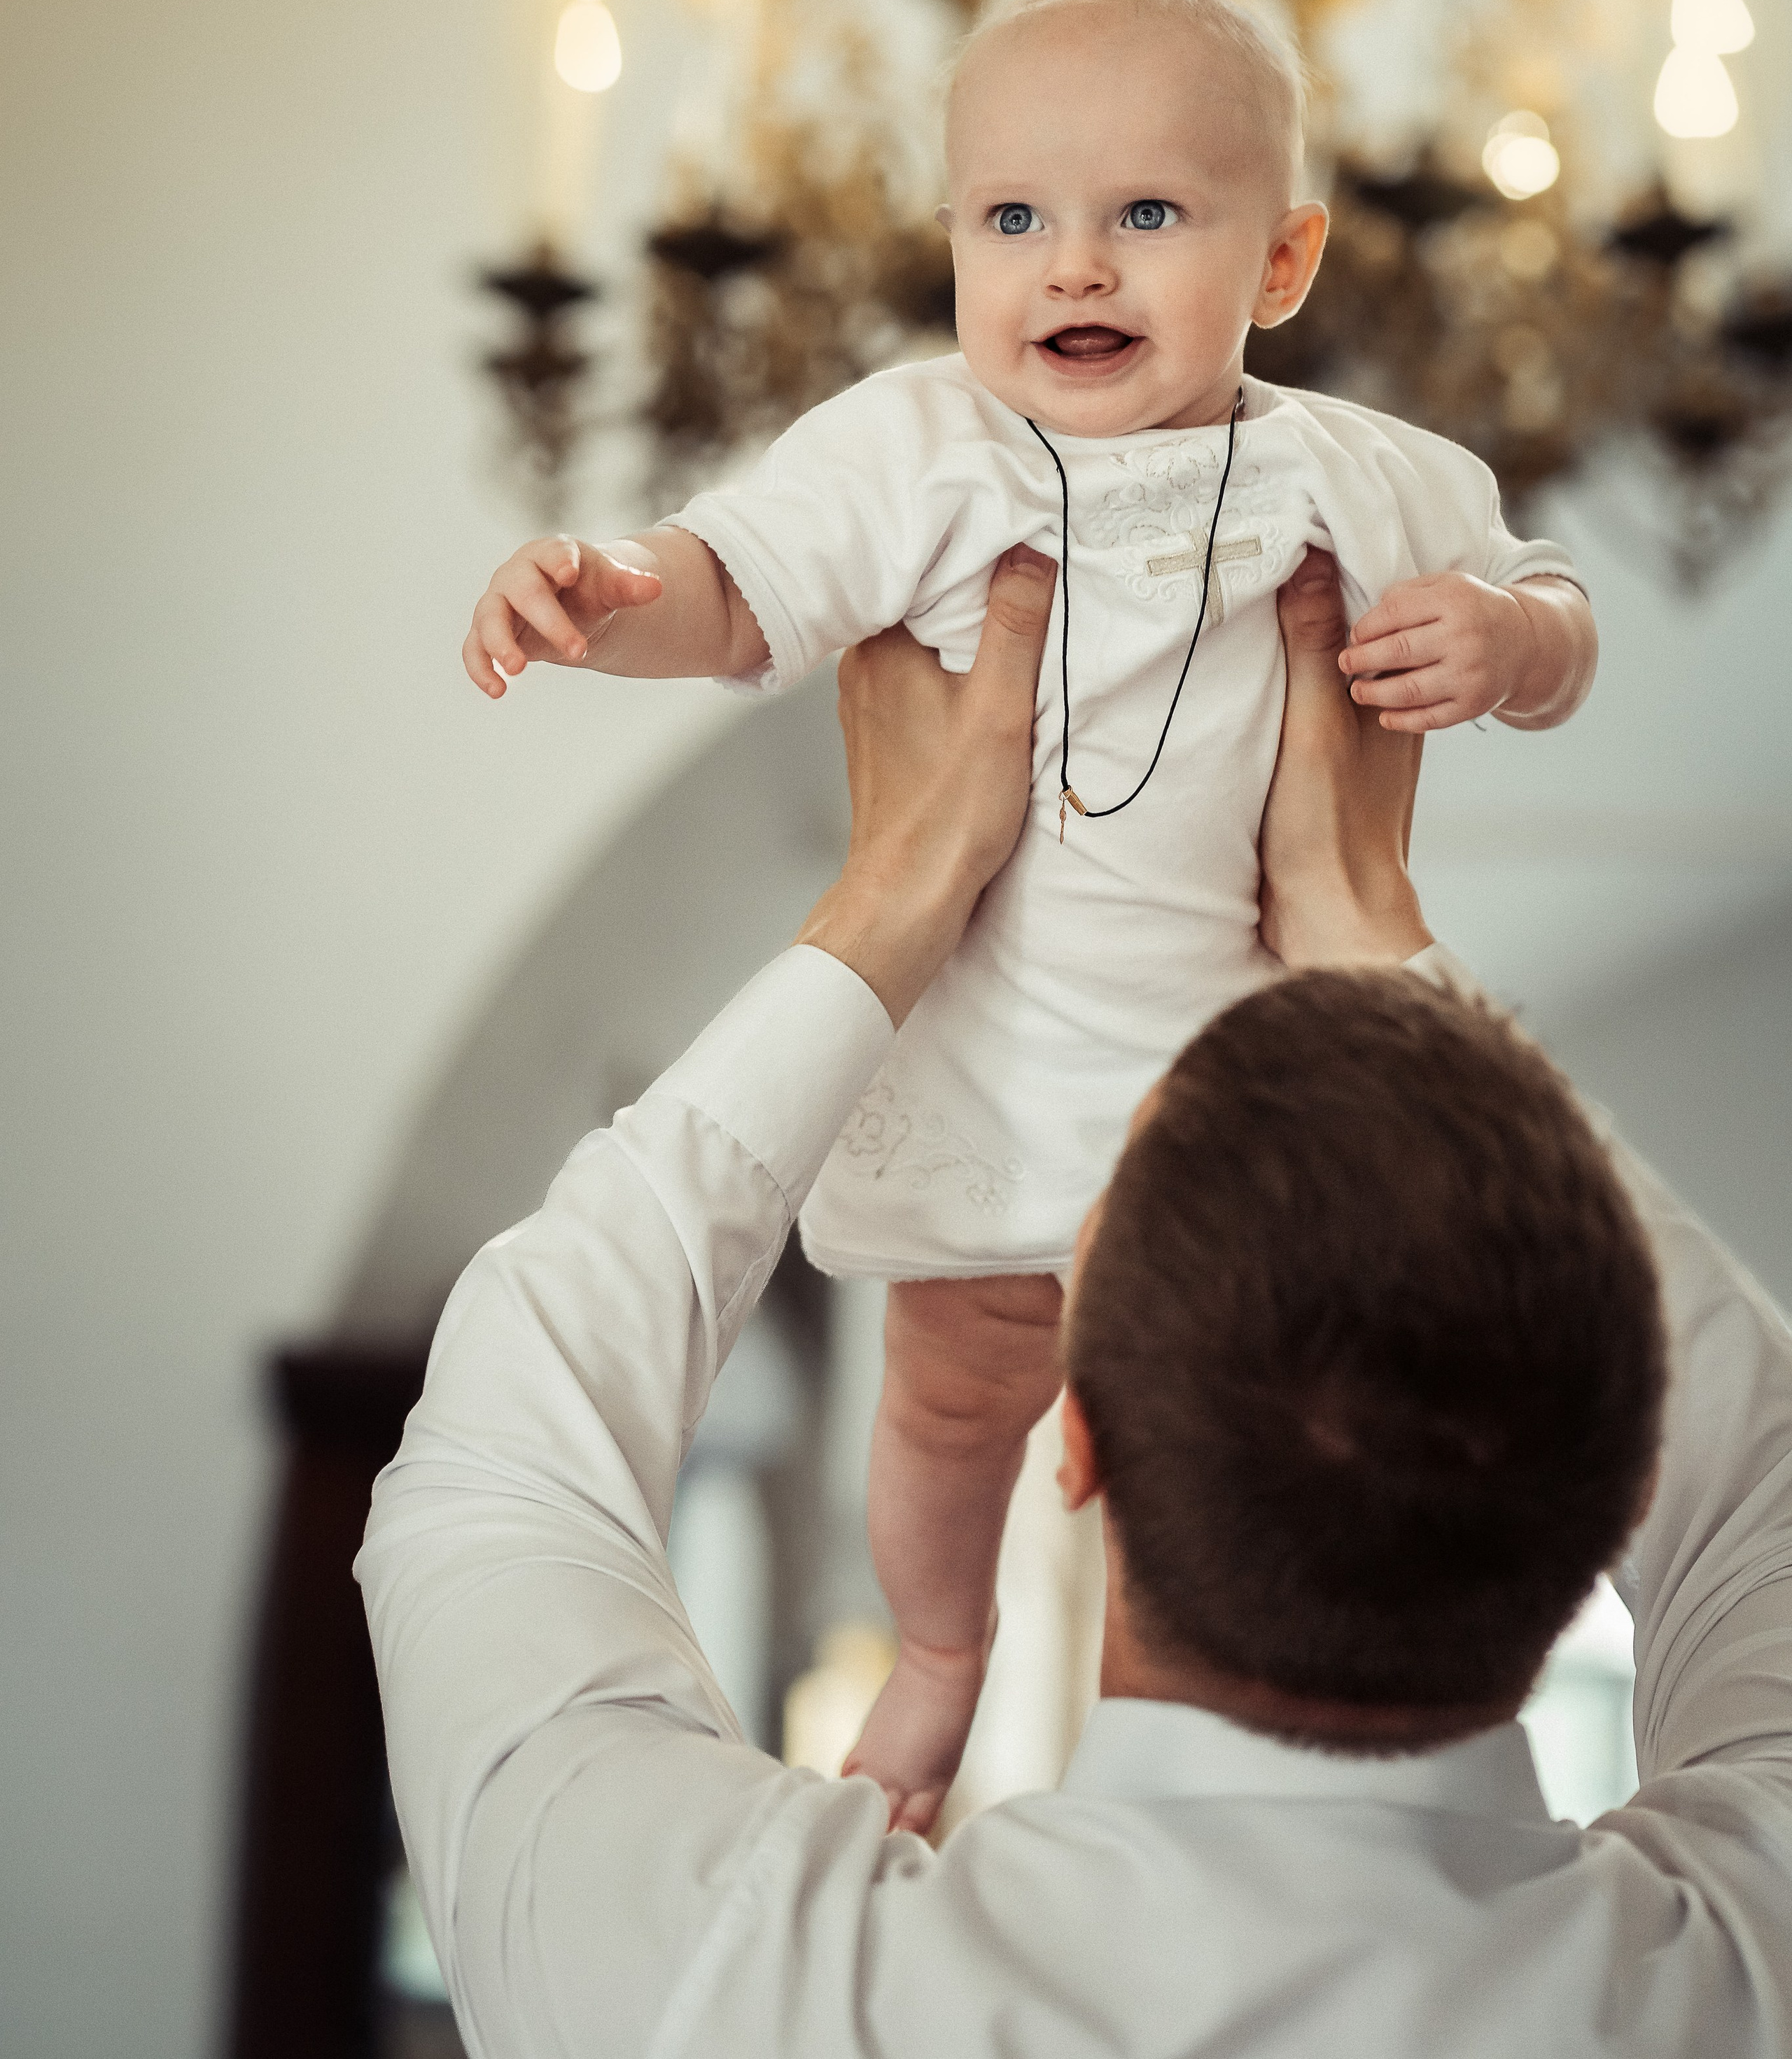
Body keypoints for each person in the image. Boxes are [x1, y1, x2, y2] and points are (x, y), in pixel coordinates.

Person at [366, 543, 1792, 2058]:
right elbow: (1761, 1460)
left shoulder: (732, 1981)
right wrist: (1364, 925)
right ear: (1627, 1480)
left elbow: (497, 1451)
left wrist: (897, 888)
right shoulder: (1741, 1974)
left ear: (1077, 1442)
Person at [459, 0, 1599, 1827]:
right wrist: (605, 586)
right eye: (1015, 219)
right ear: (954, 248)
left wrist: (1503, 640)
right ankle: (939, 1655)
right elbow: (738, 585)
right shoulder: (920, 450)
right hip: (989, 1085)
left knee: (1223, 1455)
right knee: (942, 1408)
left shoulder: (1355, 477)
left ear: (1285, 262)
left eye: (1148, 215)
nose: (1074, 266)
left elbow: (1560, 610)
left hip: (1230, 1117)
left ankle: (1189, 1771)